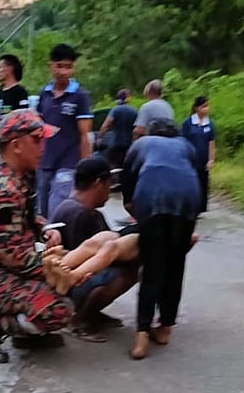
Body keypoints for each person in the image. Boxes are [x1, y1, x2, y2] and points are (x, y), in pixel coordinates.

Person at [0, 109, 68, 363]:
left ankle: (22, 325)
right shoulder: (2, 189)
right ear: (16, 145)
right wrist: (62, 269)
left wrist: (44, 228)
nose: (43, 147)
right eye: (37, 140)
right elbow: (14, 257)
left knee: (59, 284)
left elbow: (27, 216)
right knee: (57, 308)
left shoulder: (16, 173)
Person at [122, 117, 200, 360]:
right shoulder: (186, 145)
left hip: (152, 198)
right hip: (188, 201)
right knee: (175, 264)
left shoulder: (142, 143)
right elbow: (197, 175)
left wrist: (133, 209)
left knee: (153, 266)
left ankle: (142, 335)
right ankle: (165, 328)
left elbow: (128, 178)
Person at [50, 155, 138, 342]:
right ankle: (80, 318)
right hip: (72, 286)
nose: (110, 189)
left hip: (62, 282)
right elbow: (102, 257)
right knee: (130, 270)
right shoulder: (85, 215)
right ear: (99, 183)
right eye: (109, 183)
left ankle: (90, 312)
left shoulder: (65, 206)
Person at [36, 44, 93, 218]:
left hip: (68, 164)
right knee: (41, 212)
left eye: (68, 67)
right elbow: (37, 128)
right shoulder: (44, 94)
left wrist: (85, 168)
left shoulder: (80, 96)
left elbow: (85, 135)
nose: (63, 72)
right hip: (44, 163)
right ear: (51, 66)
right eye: (59, 66)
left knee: (57, 211)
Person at [181, 96, 216, 214]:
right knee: (191, 184)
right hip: (190, 160)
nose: (206, 109)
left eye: (207, 106)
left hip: (203, 160)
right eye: (203, 106)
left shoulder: (209, 123)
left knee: (203, 184)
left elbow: (211, 143)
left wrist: (211, 159)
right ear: (196, 108)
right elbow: (182, 141)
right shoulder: (188, 123)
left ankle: (200, 208)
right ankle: (190, 207)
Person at [99, 89, 138, 169]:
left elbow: (105, 126)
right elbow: (137, 129)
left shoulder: (115, 110)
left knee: (113, 166)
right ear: (128, 98)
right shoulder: (134, 111)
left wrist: (100, 138)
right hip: (129, 145)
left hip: (116, 144)